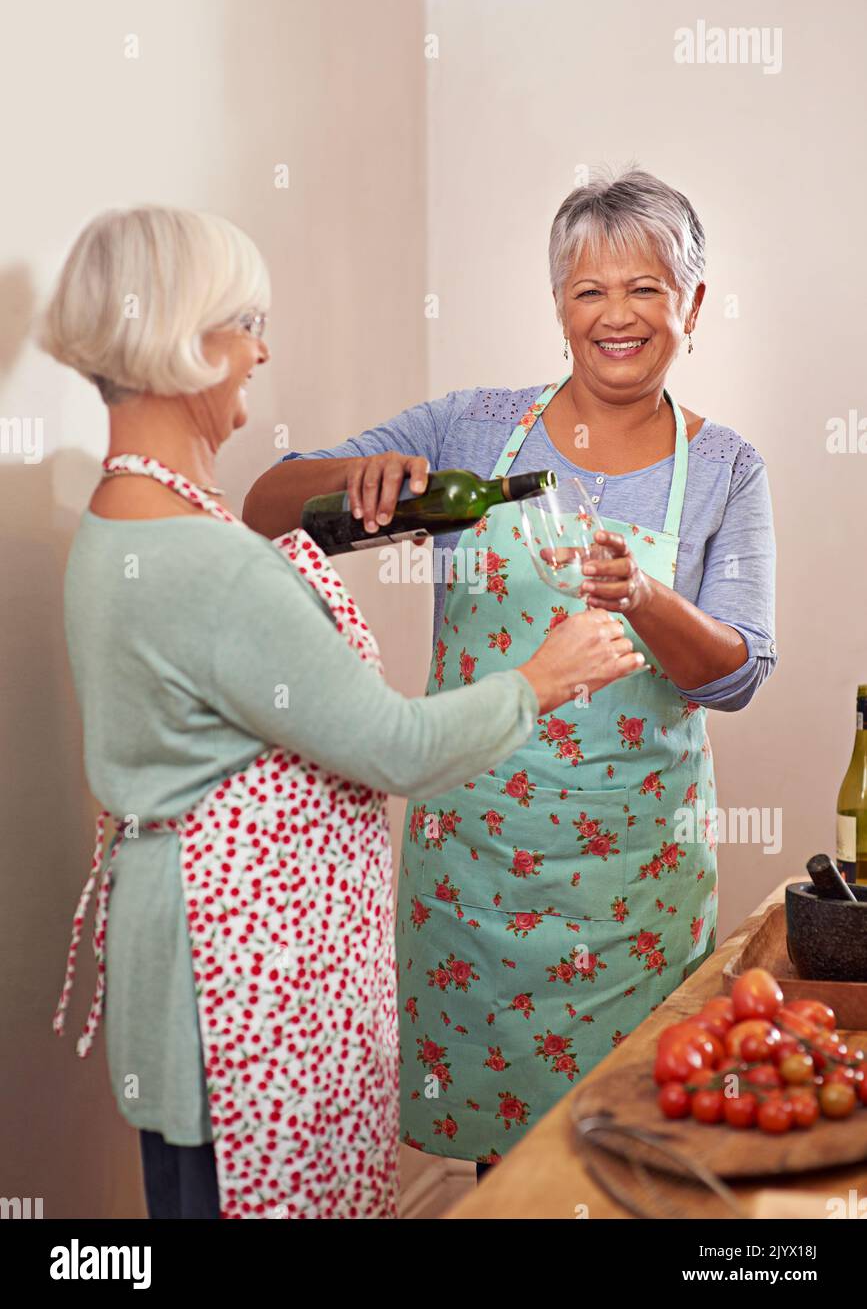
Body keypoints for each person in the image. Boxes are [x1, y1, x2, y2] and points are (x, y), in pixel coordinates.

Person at [40, 204, 641, 1218]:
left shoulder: (121, 520)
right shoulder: (204, 561)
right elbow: (397, 747)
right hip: (245, 991)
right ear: (184, 339)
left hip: (196, 965)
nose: (258, 352)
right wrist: (548, 672)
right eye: (245, 325)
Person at [244, 168, 778, 1171]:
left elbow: (741, 673)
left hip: (637, 893)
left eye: (646, 288)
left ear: (693, 304)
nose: (616, 315)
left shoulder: (726, 467)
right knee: (509, 1177)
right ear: (558, 308)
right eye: (589, 291)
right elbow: (262, 503)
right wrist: (353, 482)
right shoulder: (474, 429)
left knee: (633, 1155)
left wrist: (648, 600)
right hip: (474, 884)